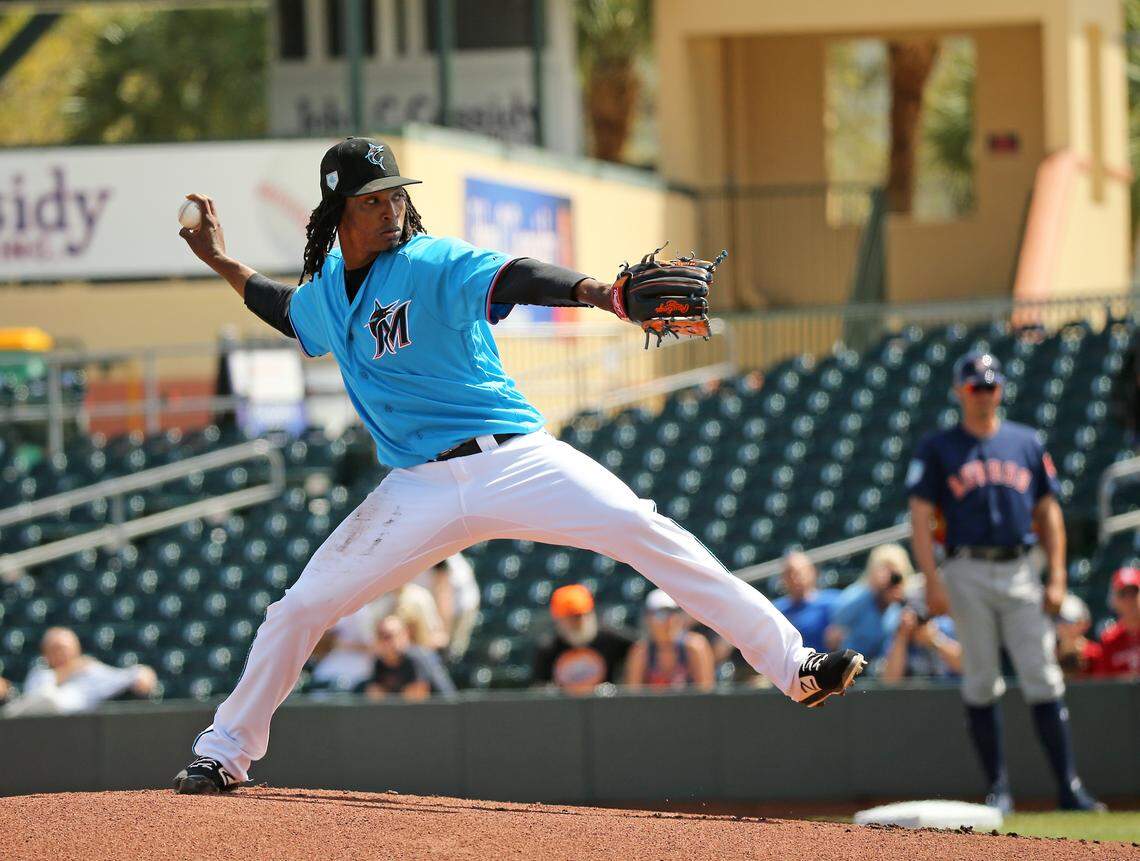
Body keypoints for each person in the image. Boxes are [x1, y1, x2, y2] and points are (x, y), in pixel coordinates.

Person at [171, 137, 865, 795]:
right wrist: (219, 260)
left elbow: (517, 275)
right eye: (372, 201)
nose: (392, 211)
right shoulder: (326, 291)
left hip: (515, 458)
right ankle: (225, 752)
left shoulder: (430, 260)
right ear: (337, 213)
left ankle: (794, 665)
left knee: (641, 527)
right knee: (299, 608)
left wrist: (605, 294)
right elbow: (286, 312)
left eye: (396, 196)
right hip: (417, 485)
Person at [907, 351, 1104, 814]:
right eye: (975, 387)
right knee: (980, 680)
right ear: (959, 392)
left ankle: (1069, 788)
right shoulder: (939, 446)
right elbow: (918, 517)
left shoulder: (1026, 442)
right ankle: (998, 789)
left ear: (1001, 390)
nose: (983, 394)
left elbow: (1049, 512)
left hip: (1020, 567)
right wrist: (932, 580)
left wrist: (1056, 574)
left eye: (990, 386)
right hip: (966, 568)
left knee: (1042, 675)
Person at [2, 627, 157, 717]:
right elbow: (39, 698)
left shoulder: (90, 671)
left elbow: (131, 675)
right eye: (55, 649)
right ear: (45, 653)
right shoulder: (39, 674)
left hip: (83, 728)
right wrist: (69, 669)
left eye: (65, 649)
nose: (61, 654)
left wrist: (143, 674)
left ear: (77, 649)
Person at [532, 584, 635, 695]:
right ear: (558, 619)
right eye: (570, 617)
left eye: (580, 615)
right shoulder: (549, 647)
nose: (577, 622)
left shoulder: (611, 639)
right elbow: (540, 687)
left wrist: (628, 686)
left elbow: (638, 647)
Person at [824, 543, 911, 660]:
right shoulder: (859, 594)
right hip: (852, 666)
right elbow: (837, 617)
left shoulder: (901, 605)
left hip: (882, 670)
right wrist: (873, 588)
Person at [624, 589, 715, 691]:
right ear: (648, 618)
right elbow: (634, 697)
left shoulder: (695, 647)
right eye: (661, 614)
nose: (669, 620)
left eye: (673, 612)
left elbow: (706, 693)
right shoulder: (641, 652)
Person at [364, 616, 456, 701]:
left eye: (389, 636)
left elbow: (417, 694)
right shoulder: (380, 662)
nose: (386, 641)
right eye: (381, 636)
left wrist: (387, 696)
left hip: (440, 711)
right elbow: (374, 693)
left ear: (404, 634)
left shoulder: (417, 657)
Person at [411, 553, 480, 660]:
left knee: (448, 653)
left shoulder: (430, 548)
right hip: (435, 601)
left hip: (457, 607)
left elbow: (443, 590)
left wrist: (443, 633)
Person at [878, 594, 962, 683]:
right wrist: (902, 637)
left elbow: (965, 666)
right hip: (913, 695)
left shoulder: (943, 627)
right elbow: (890, 681)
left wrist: (936, 639)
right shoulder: (897, 634)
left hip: (949, 692)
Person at [773, 552, 840, 651]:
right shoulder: (777, 611)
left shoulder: (834, 601)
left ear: (812, 572)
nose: (795, 578)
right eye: (789, 574)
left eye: (799, 572)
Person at [1087, 567, 1140, 677]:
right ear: (1114, 600)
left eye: (1134, 593)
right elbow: (1104, 686)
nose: (1129, 600)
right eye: (1123, 594)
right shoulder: (1109, 640)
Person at [1054, 593, 1095, 678]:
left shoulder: (1095, 655)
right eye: (1058, 620)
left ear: (1084, 624)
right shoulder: (1047, 655)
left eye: (1068, 621)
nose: (1062, 626)